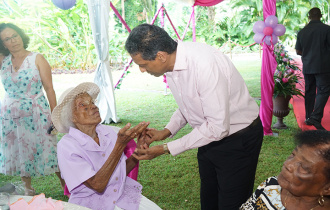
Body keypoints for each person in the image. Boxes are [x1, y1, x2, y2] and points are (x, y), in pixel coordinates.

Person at [125, 23, 264, 210]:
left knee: (232, 203)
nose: (142, 70)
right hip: (207, 139)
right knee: (209, 200)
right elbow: (189, 104)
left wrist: (165, 148)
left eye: (143, 64)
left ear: (160, 56)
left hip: (238, 140)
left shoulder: (203, 64)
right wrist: (166, 131)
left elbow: (217, 127)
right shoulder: (173, 63)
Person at [51, 82, 162, 210]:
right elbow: (97, 185)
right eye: (83, 105)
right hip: (91, 205)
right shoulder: (67, 146)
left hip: (121, 195)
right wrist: (119, 146)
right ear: (71, 117)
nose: (93, 107)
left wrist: (138, 150)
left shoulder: (108, 132)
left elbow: (119, 172)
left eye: (92, 102)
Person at [0, 23, 65, 195]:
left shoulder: (37, 58)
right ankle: (27, 189)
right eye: (7, 39)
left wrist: (55, 116)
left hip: (37, 112)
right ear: (2, 44)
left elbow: (49, 89)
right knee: (20, 150)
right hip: (11, 115)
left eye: (15, 35)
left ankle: (66, 185)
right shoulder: (2, 60)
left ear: (21, 34)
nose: (13, 41)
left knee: (49, 149)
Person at [240, 130, 330, 210]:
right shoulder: (271, 185)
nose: (288, 164)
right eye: (293, 155)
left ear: (327, 188)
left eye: (304, 167)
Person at [295, 7, 330, 130]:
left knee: (309, 91)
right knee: (324, 91)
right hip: (323, 66)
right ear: (320, 16)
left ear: (309, 17)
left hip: (308, 65)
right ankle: (315, 117)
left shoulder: (302, 31)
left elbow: (298, 51)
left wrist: (309, 53)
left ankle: (309, 116)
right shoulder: (327, 29)